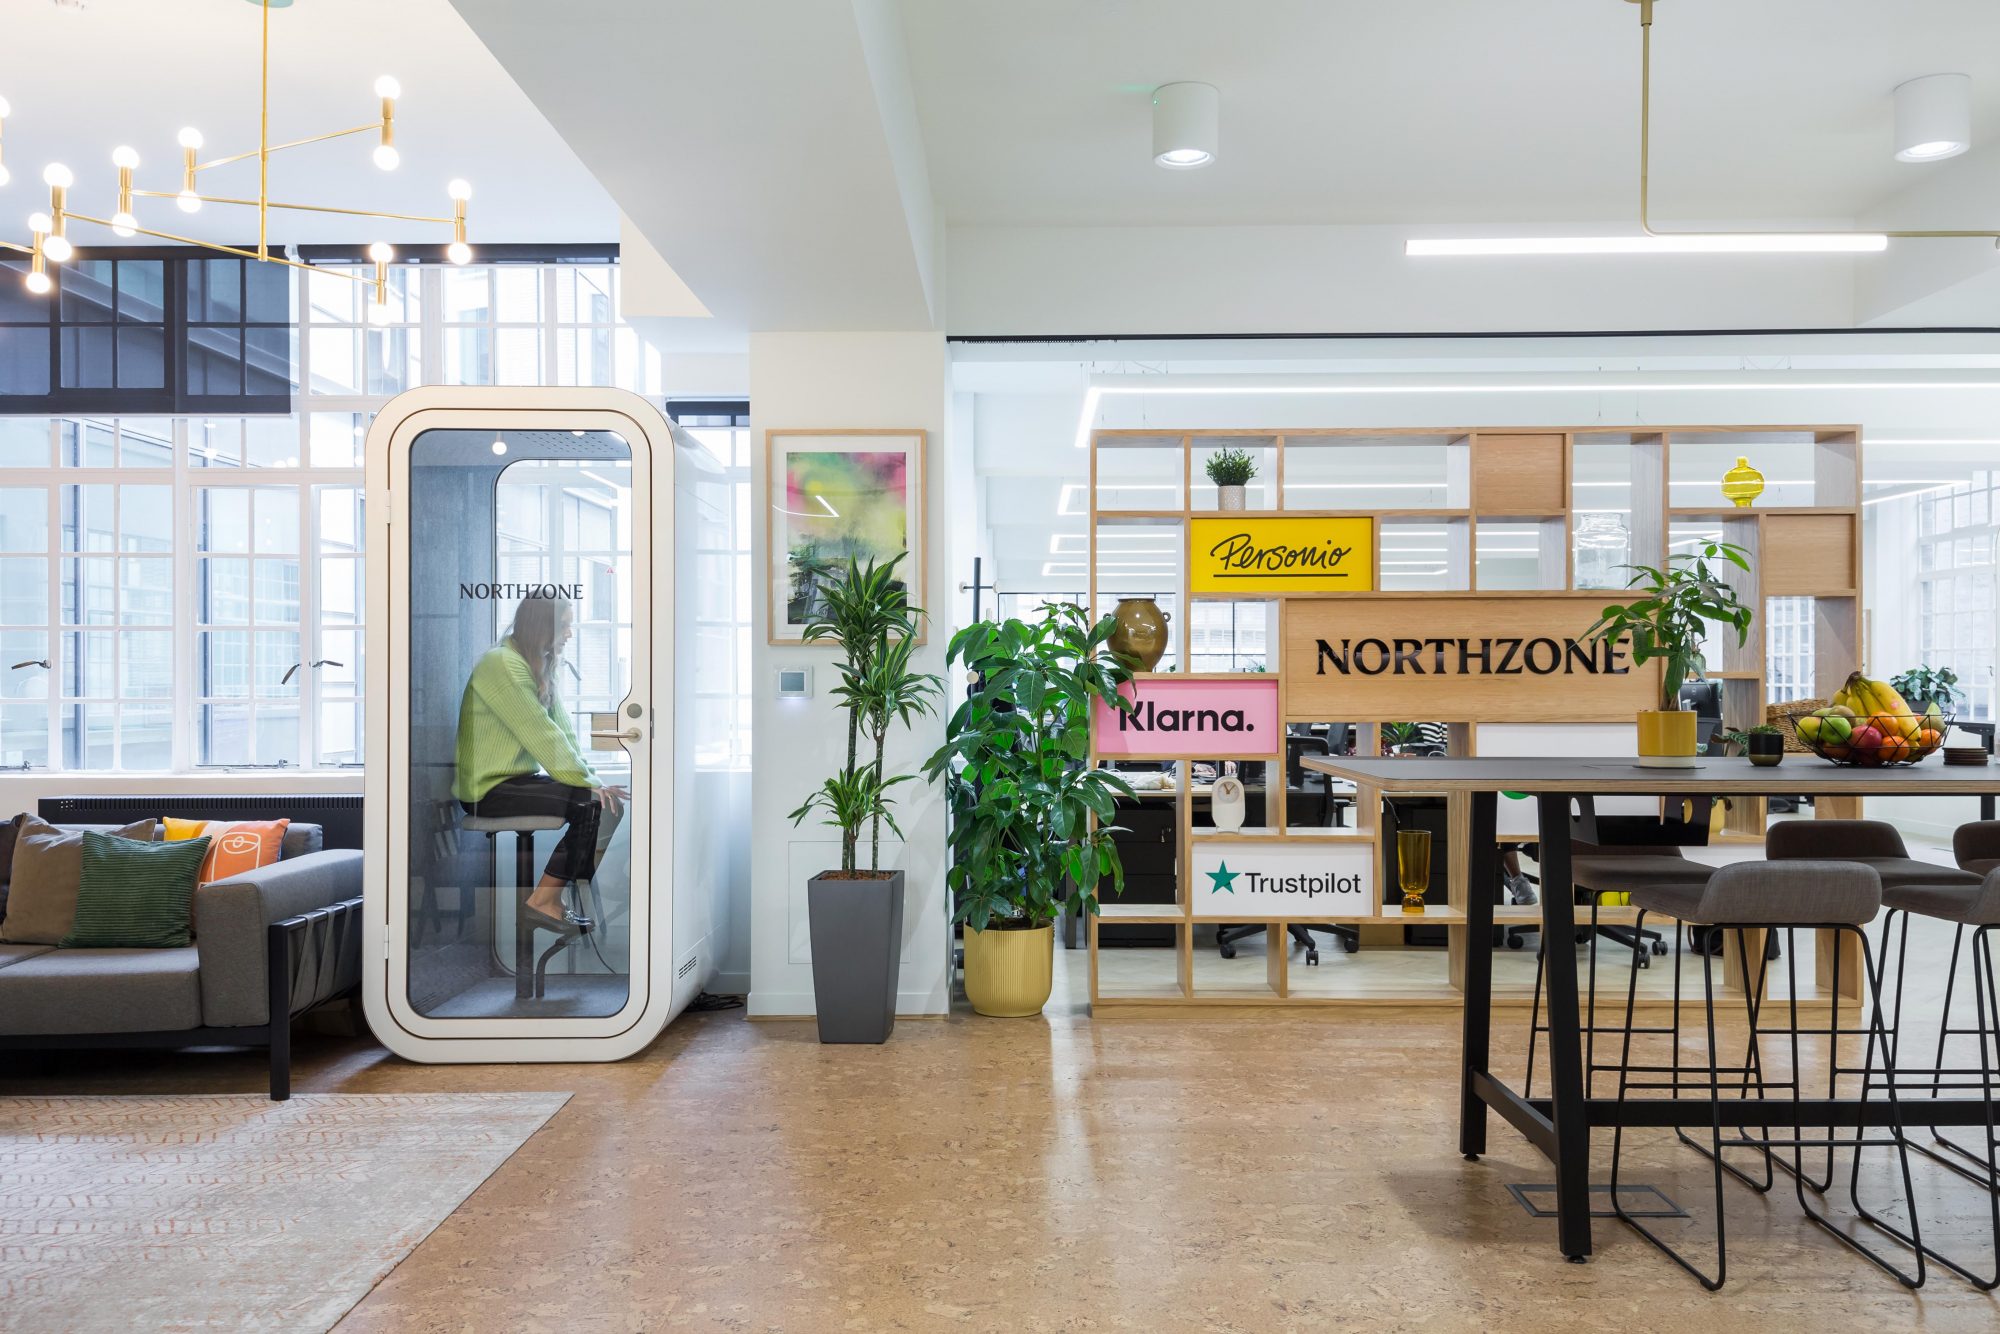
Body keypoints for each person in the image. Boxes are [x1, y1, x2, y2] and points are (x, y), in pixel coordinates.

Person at [453, 596, 627, 939]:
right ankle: (544, 901)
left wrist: (594, 781)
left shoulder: (538, 663)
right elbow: (540, 733)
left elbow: (562, 731)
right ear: (541, 627)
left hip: (515, 782)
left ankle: (570, 889)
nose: (570, 634)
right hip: (486, 790)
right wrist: (587, 786)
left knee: (608, 804)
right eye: (564, 625)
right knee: (590, 803)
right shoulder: (501, 664)